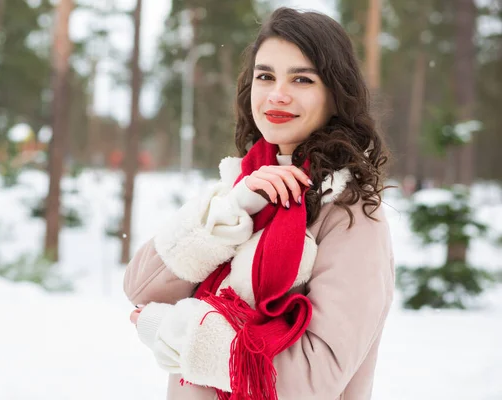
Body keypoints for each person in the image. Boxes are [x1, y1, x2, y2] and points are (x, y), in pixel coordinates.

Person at [123, 7, 394, 400]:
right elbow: (141, 288)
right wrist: (230, 212)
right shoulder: (240, 185)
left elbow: (310, 378)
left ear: (335, 95)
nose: (277, 94)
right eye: (265, 76)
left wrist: (177, 333)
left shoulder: (349, 212)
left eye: (302, 79)